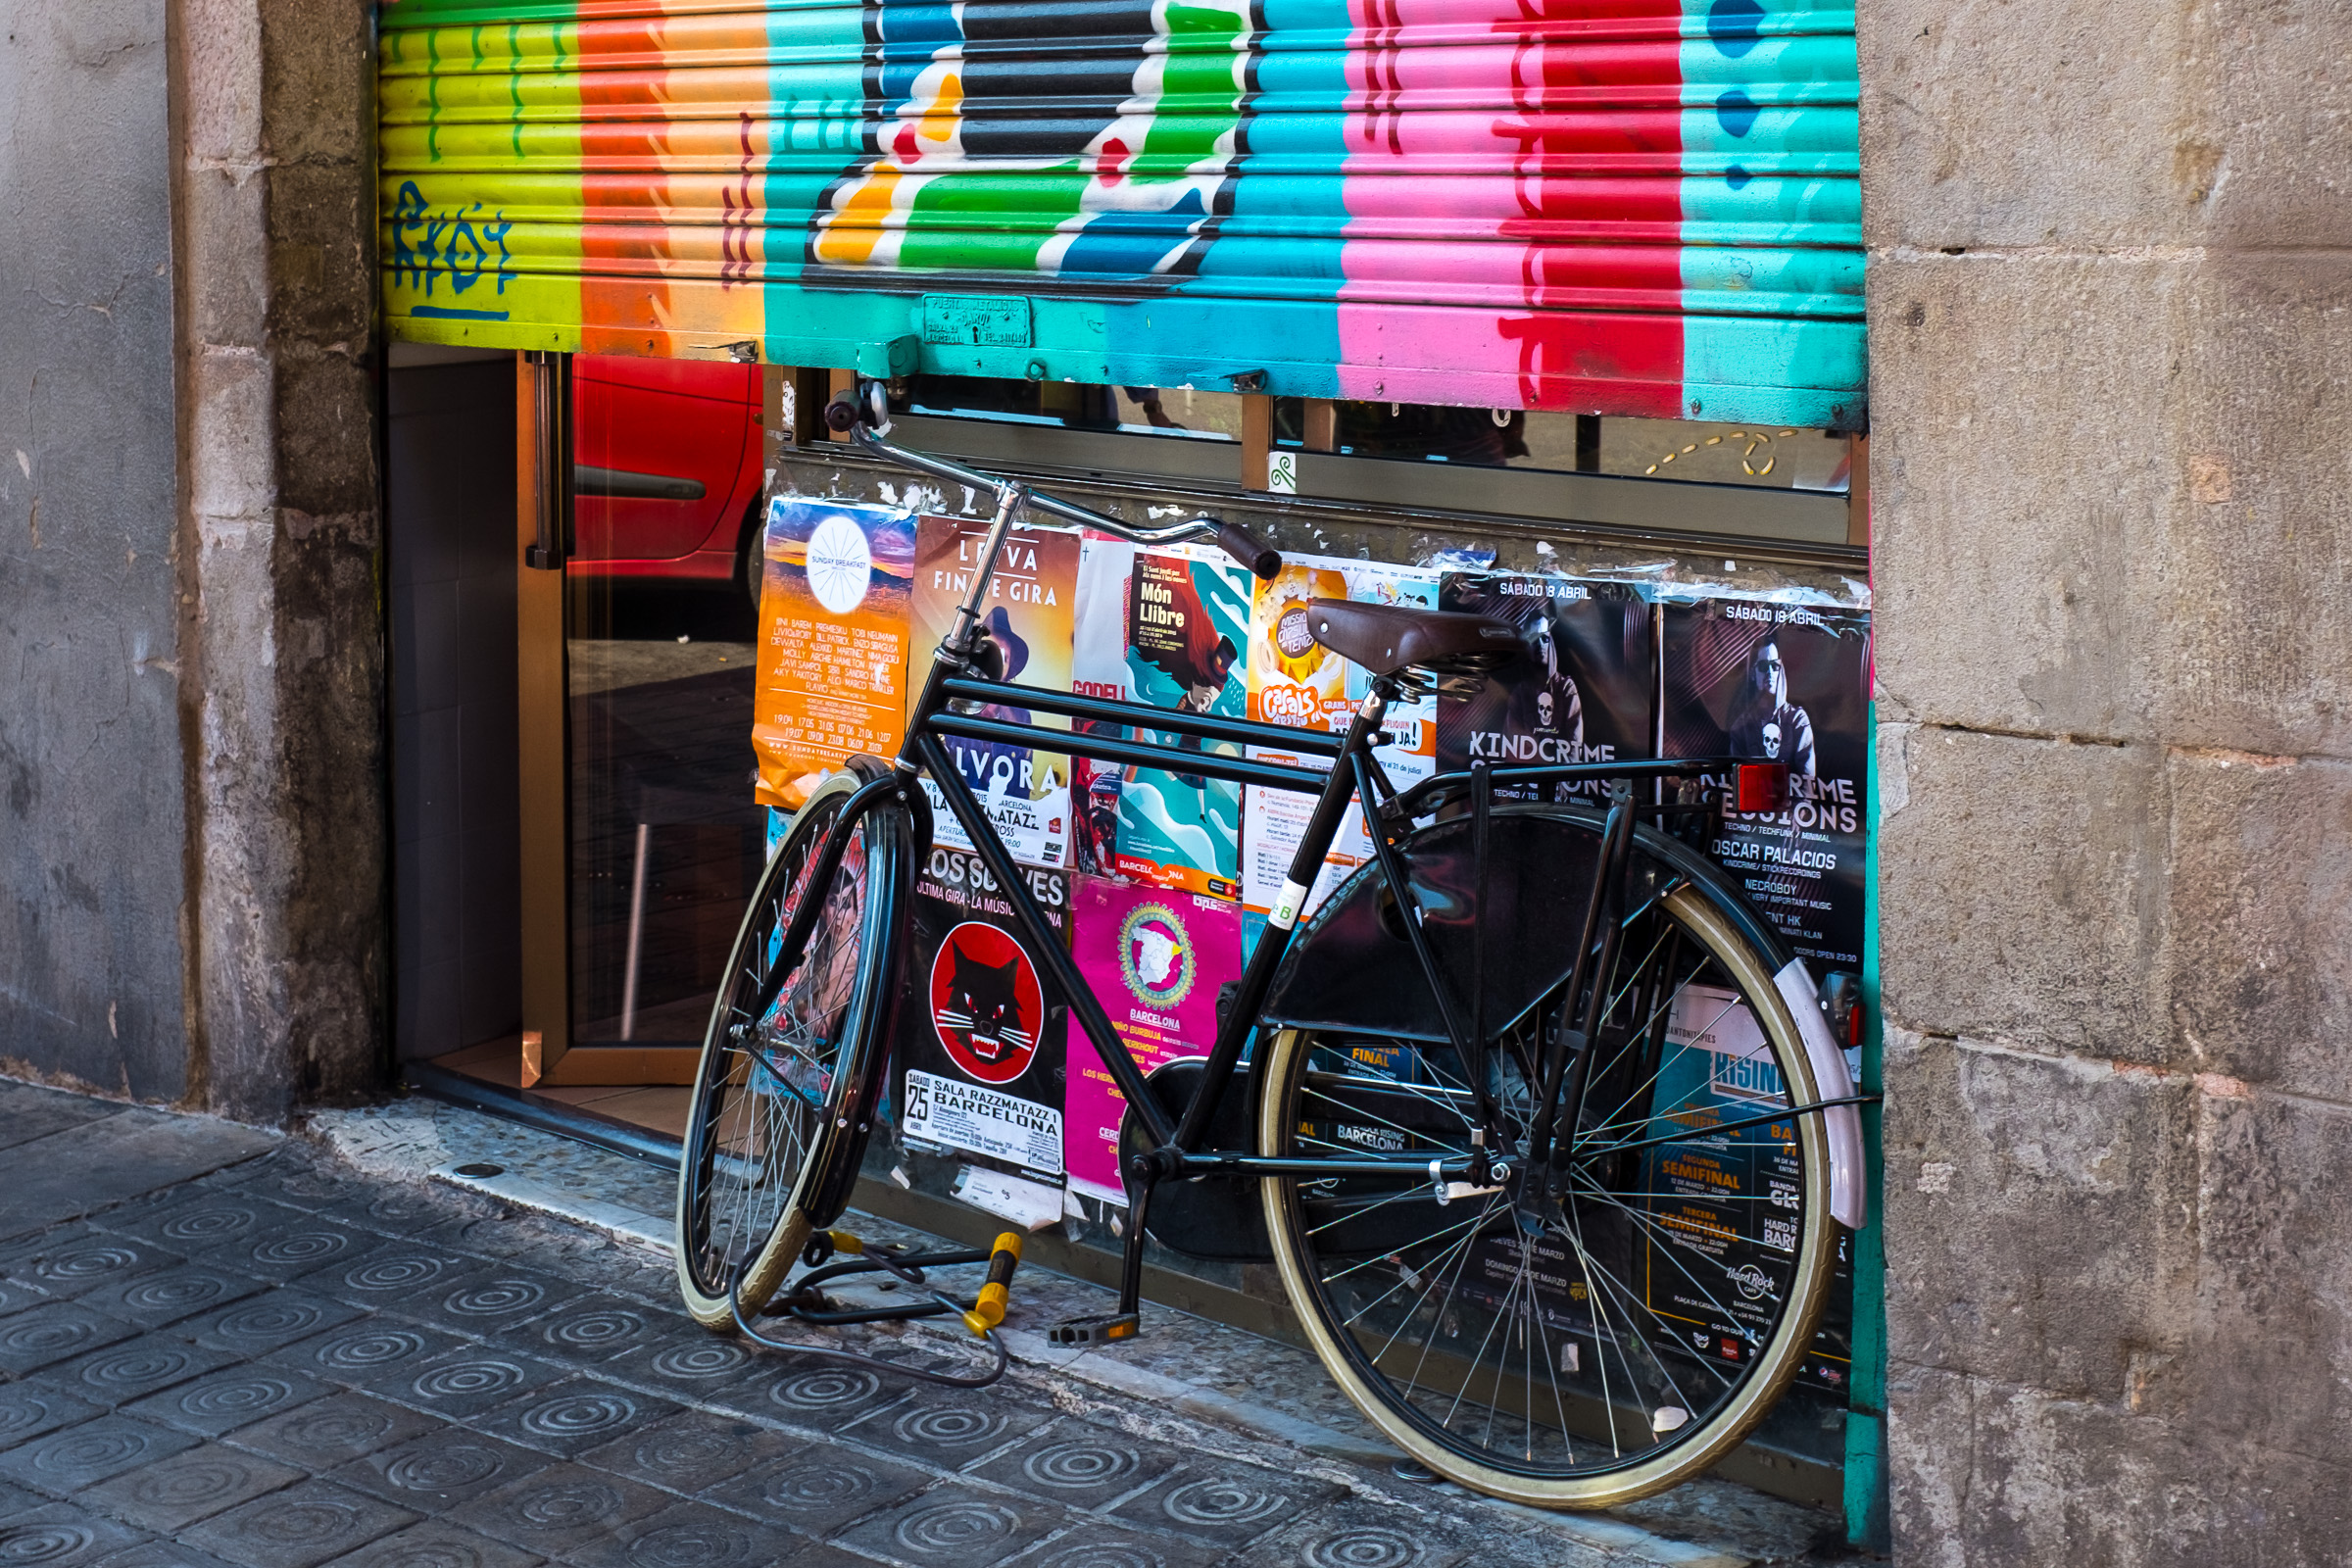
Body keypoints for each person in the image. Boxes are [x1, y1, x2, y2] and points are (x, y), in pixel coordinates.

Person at [1729, 636, 1817, 780]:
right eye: (1763, 666)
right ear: (1752, 673)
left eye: (1775, 666)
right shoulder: (1740, 727)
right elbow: (1736, 779)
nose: (1770, 672)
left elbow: (1807, 780)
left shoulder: (1798, 720)